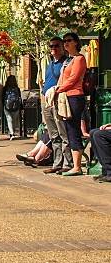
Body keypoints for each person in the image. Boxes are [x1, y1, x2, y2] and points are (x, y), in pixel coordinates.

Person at [55, 31, 88, 176]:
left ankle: (77, 166)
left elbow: (73, 78)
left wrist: (58, 89)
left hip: (75, 96)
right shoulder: (67, 60)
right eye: (64, 41)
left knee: (73, 128)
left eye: (69, 40)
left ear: (76, 42)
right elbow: (63, 78)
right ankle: (74, 164)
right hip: (65, 96)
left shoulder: (79, 59)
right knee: (68, 129)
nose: (66, 43)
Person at [41, 35, 73, 175]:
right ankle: (57, 163)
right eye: (51, 46)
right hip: (47, 101)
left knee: (63, 133)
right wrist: (43, 101)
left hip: (58, 100)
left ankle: (67, 163)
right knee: (53, 134)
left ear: (62, 48)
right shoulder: (50, 64)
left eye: (56, 46)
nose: (53, 48)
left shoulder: (66, 62)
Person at [3, 74, 21, 140]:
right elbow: (20, 98)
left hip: (7, 106)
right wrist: (21, 108)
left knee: (9, 120)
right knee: (14, 120)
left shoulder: (5, 88)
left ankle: (12, 133)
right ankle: (13, 132)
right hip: (15, 106)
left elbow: (2, 97)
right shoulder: (17, 89)